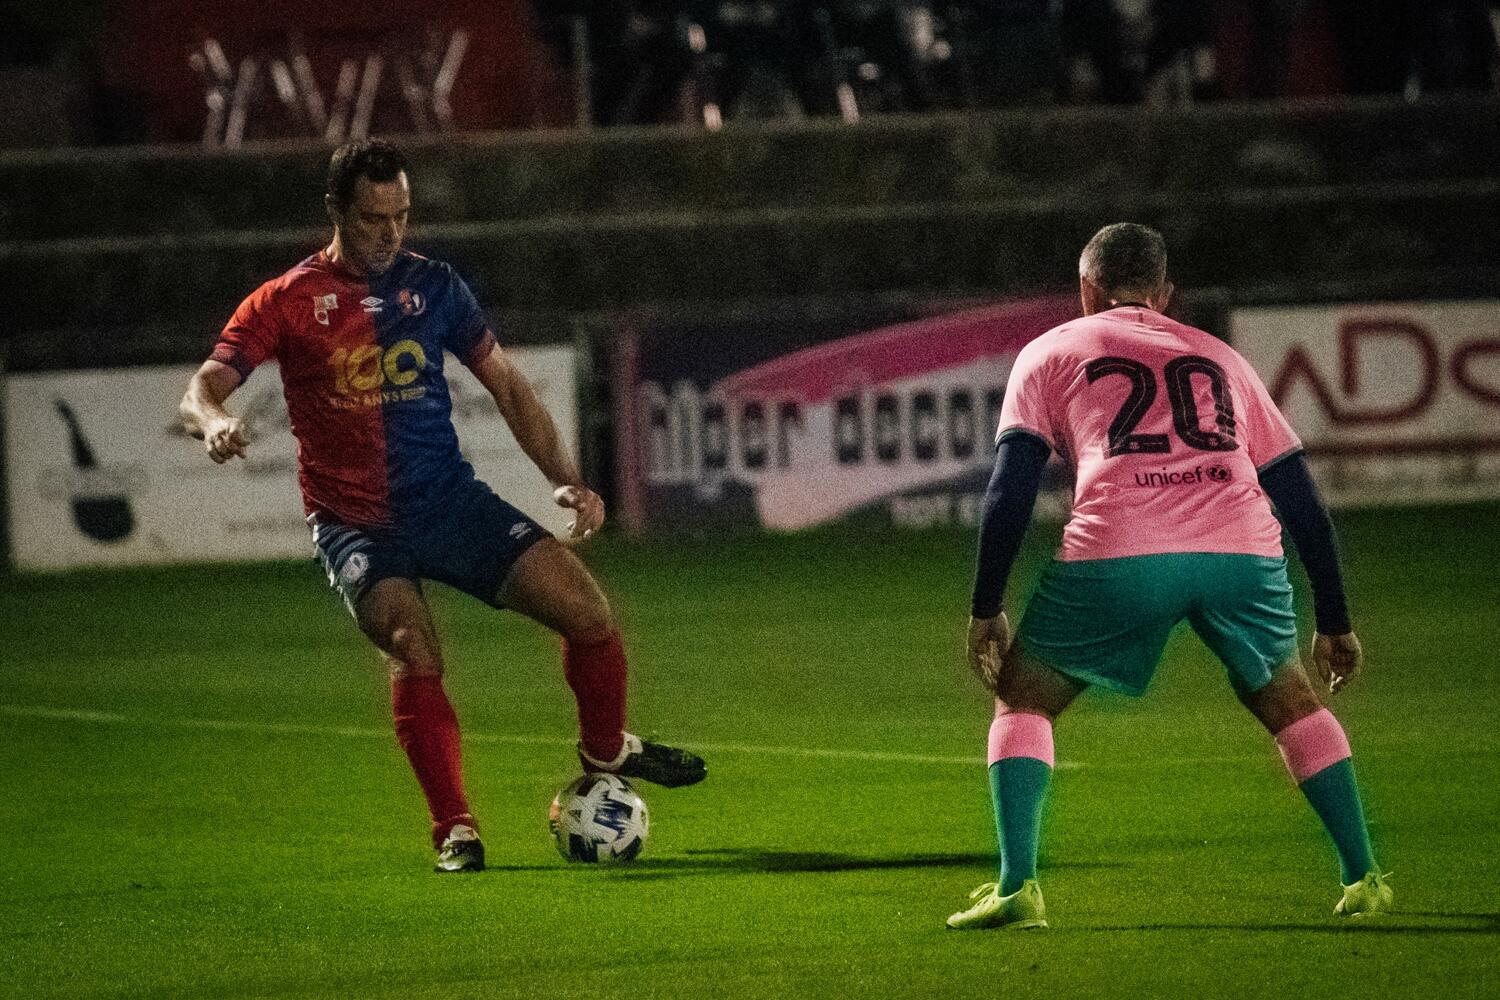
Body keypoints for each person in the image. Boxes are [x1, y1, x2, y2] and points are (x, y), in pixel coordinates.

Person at [178, 138, 706, 873]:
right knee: (412, 645)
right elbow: (202, 387)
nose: (391, 232)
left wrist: (566, 477)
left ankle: (605, 751)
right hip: (356, 523)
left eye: (401, 215)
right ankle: (455, 828)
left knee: (588, 614)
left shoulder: (435, 285)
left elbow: (508, 386)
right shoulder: (287, 300)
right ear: (336, 211)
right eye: (374, 218)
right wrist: (213, 421)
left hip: (449, 502)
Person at [948, 223, 1389, 930]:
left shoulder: (1051, 351)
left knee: (1023, 700)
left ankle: (1018, 886)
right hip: (1242, 551)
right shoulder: (1221, 358)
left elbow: (1009, 491)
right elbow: (1301, 500)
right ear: (1164, 292)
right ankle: (1364, 875)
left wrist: (985, 605)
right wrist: (1334, 619)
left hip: (1122, 546)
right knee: (1293, 703)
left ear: (1086, 289)